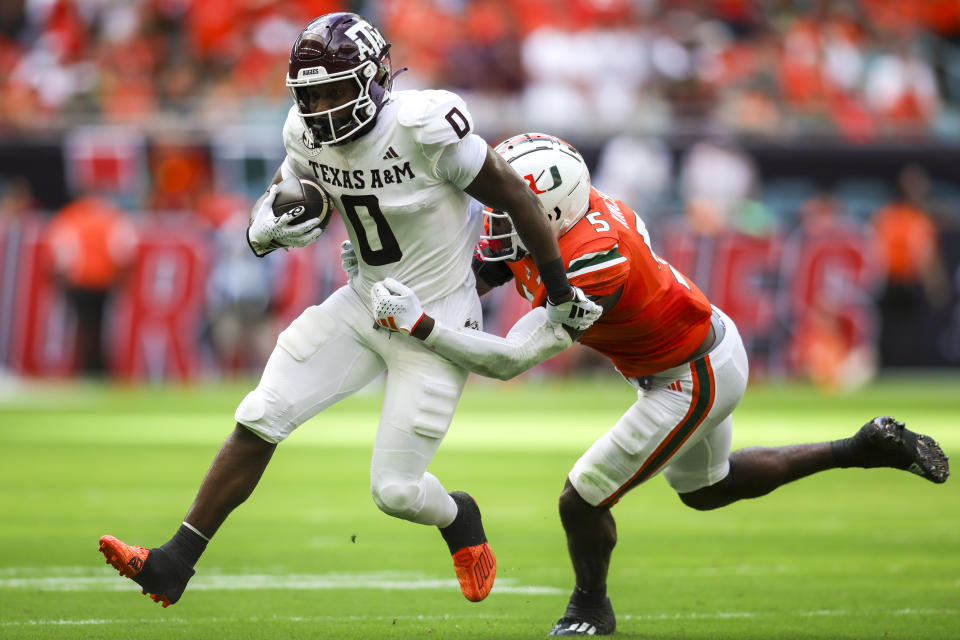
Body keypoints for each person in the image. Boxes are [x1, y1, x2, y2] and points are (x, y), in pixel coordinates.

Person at [97, 14, 601, 608]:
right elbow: (289, 192)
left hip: (436, 323)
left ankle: (458, 516)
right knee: (263, 412)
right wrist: (267, 224)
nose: (322, 106)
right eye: (309, 94)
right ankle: (174, 562)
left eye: (334, 90)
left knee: (395, 491)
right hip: (363, 302)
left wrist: (559, 286)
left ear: (374, 78)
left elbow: (514, 194)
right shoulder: (302, 132)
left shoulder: (425, 126)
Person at [361, 133, 951, 636]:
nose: (496, 214)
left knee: (583, 494)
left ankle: (591, 606)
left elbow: (511, 359)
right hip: (699, 348)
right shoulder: (571, 214)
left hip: (691, 374)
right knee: (707, 489)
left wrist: (420, 323)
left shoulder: (593, 261)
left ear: (551, 213)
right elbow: (488, 268)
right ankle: (862, 448)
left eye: (511, 205)